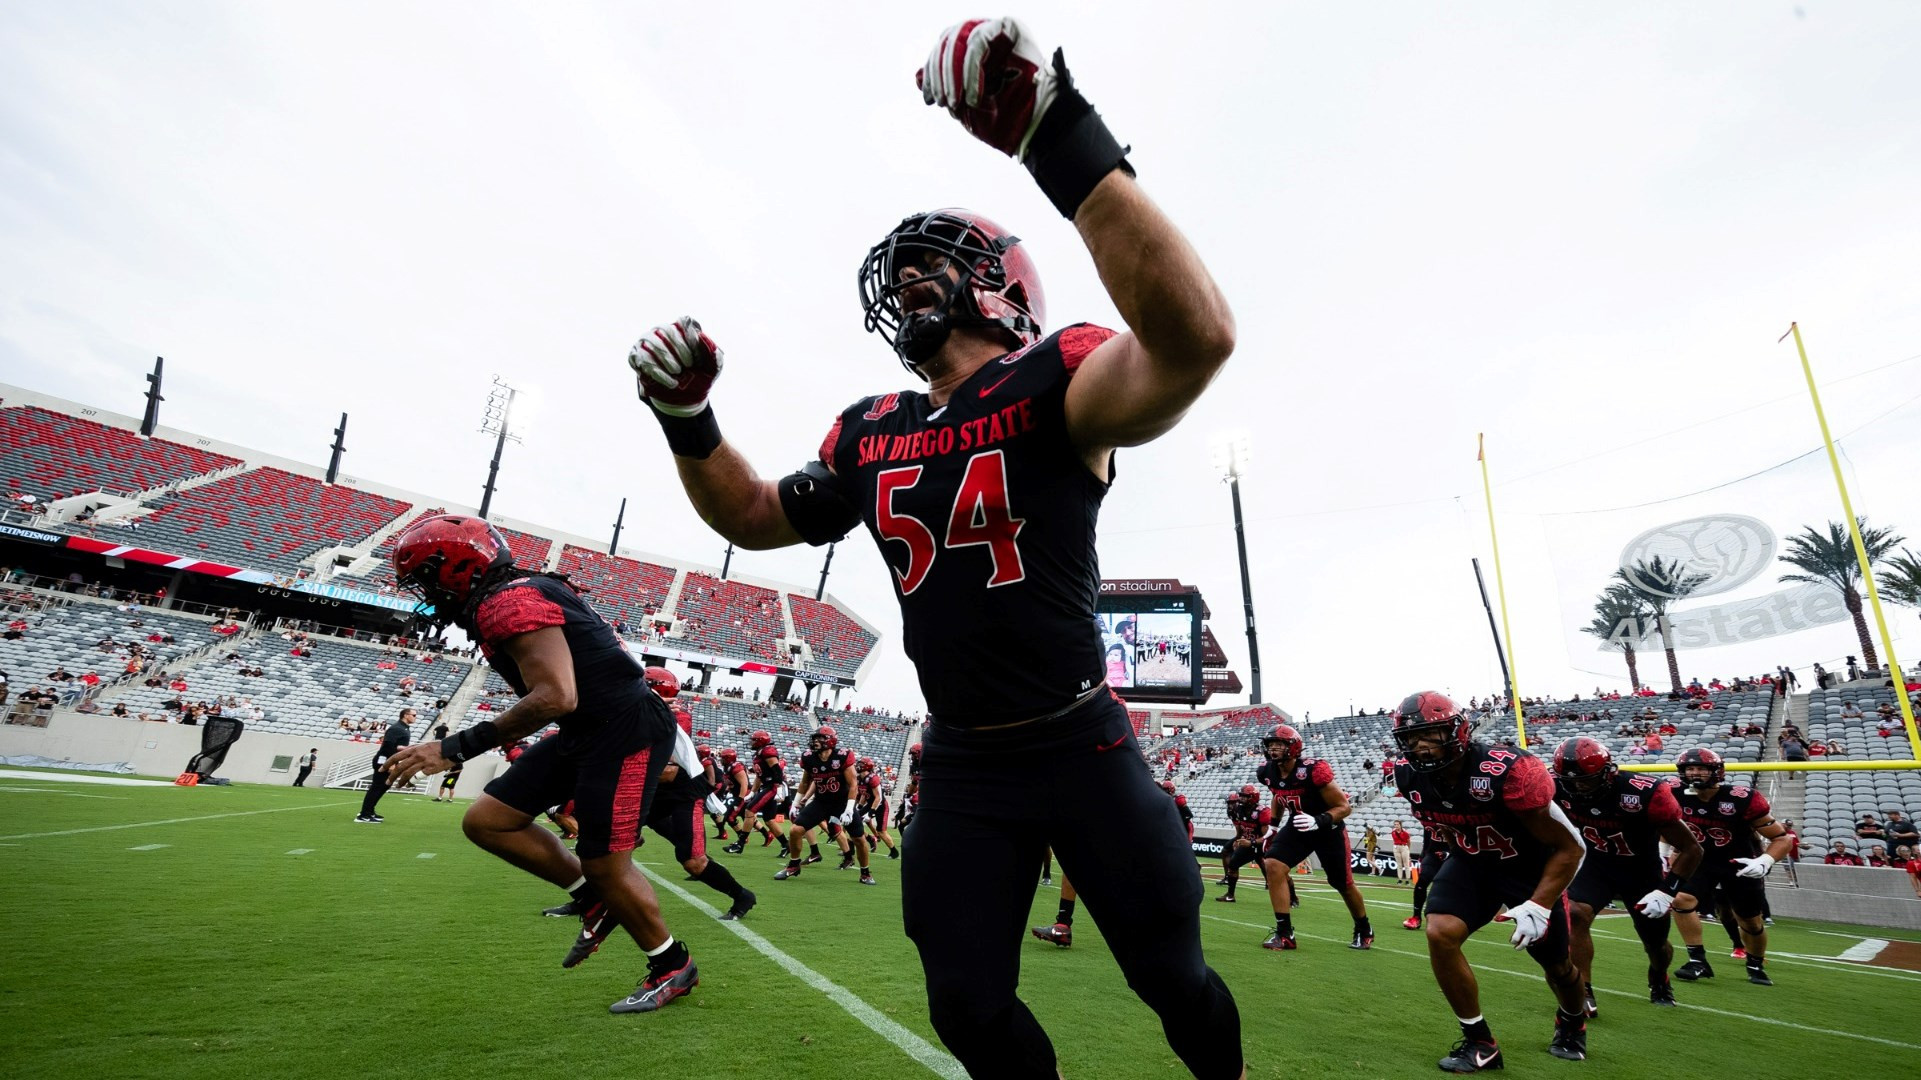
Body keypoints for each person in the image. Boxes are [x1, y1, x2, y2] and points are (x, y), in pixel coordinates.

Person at [629, 17, 1242, 1079]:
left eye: (934, 268)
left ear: (1004, 290)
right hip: (961, 758)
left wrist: (1059, 135)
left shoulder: (1058, 378)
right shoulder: (872, 428)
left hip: (1080, 744)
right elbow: (752, 517)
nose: (910, 283)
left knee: (1169, 978)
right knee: (963, 1002)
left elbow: (1195, 340)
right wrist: (690, 421)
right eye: (901, 273)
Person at [380, 514, 697, 1014]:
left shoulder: (509, 601)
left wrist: (452, 748)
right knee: (489, 821)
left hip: (623, 731)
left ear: (456, 569)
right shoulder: (514, 592)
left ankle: (672, 965)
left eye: (425, 579)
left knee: (605, 862)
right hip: (588, 729)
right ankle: (592, 900)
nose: (425, 592)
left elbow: (555, 696)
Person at [1390, 692, 1590, 1071]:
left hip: (1528, 870)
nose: (1420, 745)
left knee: (1558, 966)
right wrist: (1456, 853)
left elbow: (1570, 847)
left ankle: (1572, 1021)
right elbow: (1446, 823)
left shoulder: (1509, 770)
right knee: (1440, 933)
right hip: (1472, 862)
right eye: (1412, 738)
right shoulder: (1407, 774)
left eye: (1431, 734)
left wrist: (1540, 904)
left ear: (1457, 730)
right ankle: (1481, 1042)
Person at [1550, 737, 1703, 1012]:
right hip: (1594, 864)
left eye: (1586, 779)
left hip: (1641, 871)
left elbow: (1692, 848)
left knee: (1656, 945)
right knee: (1575, 912)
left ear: (1608, 771)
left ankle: (1659, 975)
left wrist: (1667, 890)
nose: (1577, 786)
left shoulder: (1645, 791)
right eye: (1569, 780)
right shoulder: (1555, 785)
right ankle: (1582, 989)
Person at [1670, 747, 1792, 987]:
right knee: (1681, 899)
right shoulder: (1674, 793)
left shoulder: (1741, 797)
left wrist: (1764, 861)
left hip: (1739, 864)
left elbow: (1783, 838)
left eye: (1701, 769)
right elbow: (1663, 828)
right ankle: (1698, 961)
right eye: (1689, 769)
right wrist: (1667, 853)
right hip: (1700, 860)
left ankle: (1755, 963)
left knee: (1750, 922)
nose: (1694, 773)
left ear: (1716, 772)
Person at [1253, 724, 1373, 950]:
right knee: (1273, 865)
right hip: (1298, 825)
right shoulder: (1267, 771)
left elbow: (1344, 807)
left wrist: (1319, 820)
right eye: (1270, 744)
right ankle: (1285, 933)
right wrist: (1274, 825)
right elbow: (1278, 796)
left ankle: (1364, 928)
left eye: (1279, 744)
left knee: (1342, 883)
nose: (1274, 749)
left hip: (1328, 829)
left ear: (1294, 747)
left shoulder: (1312, 770)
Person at [776, 726, 873, 885]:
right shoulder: (809, 757)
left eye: (820, 738)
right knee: (795, 830)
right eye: (815, 738)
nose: (815, 741)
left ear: (830, 740)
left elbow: (853, 784)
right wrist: (795, 804)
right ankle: (794, 866)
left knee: (859, 839)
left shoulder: (842, 756)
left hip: (842, 802)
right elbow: (805, 781)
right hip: (821, 802)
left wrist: (849, 809)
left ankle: (865, 873)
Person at [355, 708, 415, 822]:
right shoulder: (397, 728)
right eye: (414, 715)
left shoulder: (404, 728)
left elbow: (398, 747)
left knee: (384, 786)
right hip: (384, 761)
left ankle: (370, 811)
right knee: (377, 787)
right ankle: (363, 815)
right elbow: (388, 745)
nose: (415, 717)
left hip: (390, 761)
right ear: (406, 715)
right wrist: (391, 763)